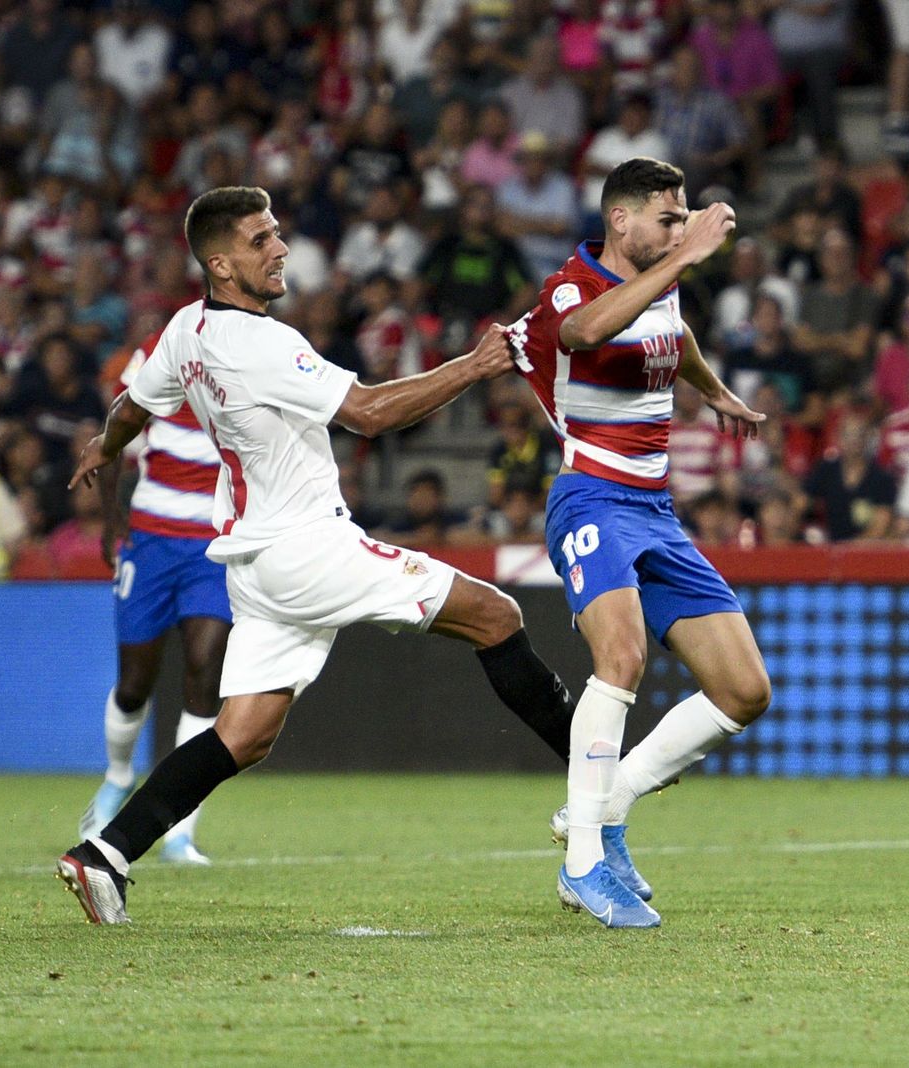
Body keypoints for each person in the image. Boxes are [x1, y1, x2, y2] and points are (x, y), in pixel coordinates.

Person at [56, 187, 577, 926]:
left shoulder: (185, 330)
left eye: (277, 234)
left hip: (256, 563)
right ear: (220, 263)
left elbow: (131, 408)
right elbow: (368, 413)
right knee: (495, 616)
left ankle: (103, 853)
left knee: (242, 734)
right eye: (261, 239)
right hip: (308, 549)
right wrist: (473, 365)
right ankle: (601, 778)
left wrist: (103, 447)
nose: (281, 249)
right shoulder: (261, 344)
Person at [504, 157, 771, 929]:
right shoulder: (570, 287)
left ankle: (606, 806)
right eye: (668, 218)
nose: (680, 230)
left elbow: (672, 334)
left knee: (745, 690)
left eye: (685, 218)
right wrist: (686, 255)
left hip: (655, 510)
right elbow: (586, 332)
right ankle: (584, 864)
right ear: (620, 220)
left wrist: (716, 393)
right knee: (620, 660)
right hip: (589, 496)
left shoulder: (663, 280)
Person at [76, 328, 231, 867]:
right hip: (151, 542)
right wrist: (111, 523)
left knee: (204, 674)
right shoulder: (162, 348)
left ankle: (179, 832)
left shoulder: (259, 351)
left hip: (214, 548)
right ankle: (118, 776)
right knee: (134, 685)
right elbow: (118, 429)